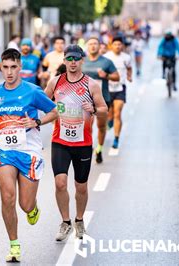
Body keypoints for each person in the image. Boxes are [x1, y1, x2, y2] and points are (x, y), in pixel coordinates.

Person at [0, 48, 58, 262]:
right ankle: (14, 245)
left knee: (25, 204)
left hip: (29, 152)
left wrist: (37, 121)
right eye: (5, 67)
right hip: (5, 151)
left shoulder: (32, 91)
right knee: (7, 197)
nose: (9, 72)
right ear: (0, 68)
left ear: (20, 67)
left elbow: (55, 110)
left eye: (13, 67)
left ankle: (33, 208)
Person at [45, 44, 107, 241]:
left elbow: (104, 108)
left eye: (76, 59)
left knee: (81, 186)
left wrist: (94, 109)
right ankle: (65, 222)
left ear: (82, 60)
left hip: (82, 143)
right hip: (60, 141)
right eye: (69, 59)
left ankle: (79, 220)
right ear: (64, 61)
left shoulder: (91, 85)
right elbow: (41, 101)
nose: (72, 62)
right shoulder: (55, 82)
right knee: (60, 183)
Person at [82, 37, 119, 164]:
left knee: (101, 126)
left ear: (99, 46)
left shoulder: (107, 62)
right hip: (85, 100)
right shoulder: (82, 61)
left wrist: (106, 75)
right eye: (90, 44)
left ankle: (99, 149)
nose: (92, 46)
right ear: (87, 46)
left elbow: (116, 76)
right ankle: (89, 147)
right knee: (87, 126)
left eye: (95, 44)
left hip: (103, 99)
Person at [103, 37, 132, 149]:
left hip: (120, 88)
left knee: (117, 113)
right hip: (107, 89)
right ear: (111, 45)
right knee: (109, 114)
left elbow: (129, 68)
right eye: (115, 44)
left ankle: (116, 138)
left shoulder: (127, 57)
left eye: (120, 44)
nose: (118, 46)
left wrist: (129, 76)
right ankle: (109, 121)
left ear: (122, 46)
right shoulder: (106, 57)